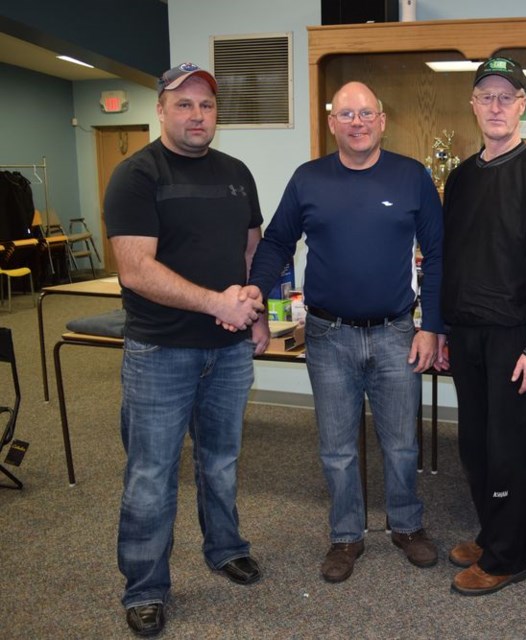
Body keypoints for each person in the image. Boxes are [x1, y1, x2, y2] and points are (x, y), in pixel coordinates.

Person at [247, 81, 442, 584]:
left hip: (397, 332)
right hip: (328, 336)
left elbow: (440, 255)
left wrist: (433, 327)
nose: (357, 122)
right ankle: (346, 536)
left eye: (366, 114)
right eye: (346, 114)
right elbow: (275, 243)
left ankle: (406, 525)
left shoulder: (411, 176)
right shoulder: (308, 179)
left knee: (401, 443)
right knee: (337, 447)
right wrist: (253, 296)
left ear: (382, 120)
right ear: (332, 123)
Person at [104, 62, 268, 637]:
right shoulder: (136, 175)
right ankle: (145, 586)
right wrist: (216, 305)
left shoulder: (236, 174)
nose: (197, 116)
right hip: (161, 352)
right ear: (162, 109)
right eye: (184, 105)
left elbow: (252, 251)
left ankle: (225, 548)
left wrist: (254, 305)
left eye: (206, 106)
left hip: (227, 352)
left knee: (221, 461)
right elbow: (135, 269)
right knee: (151, 474)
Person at [439, 57, 526, 596]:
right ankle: (492, 532)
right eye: (485, 96)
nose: (495, 106)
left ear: (523, 105)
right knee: (475, 446)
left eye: (506, 96)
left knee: (510, 452)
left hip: (517, 339)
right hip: (467, 335)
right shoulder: (462, 177)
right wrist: (445, 328)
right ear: (473, 105)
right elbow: (452, 257)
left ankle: (508, 557)